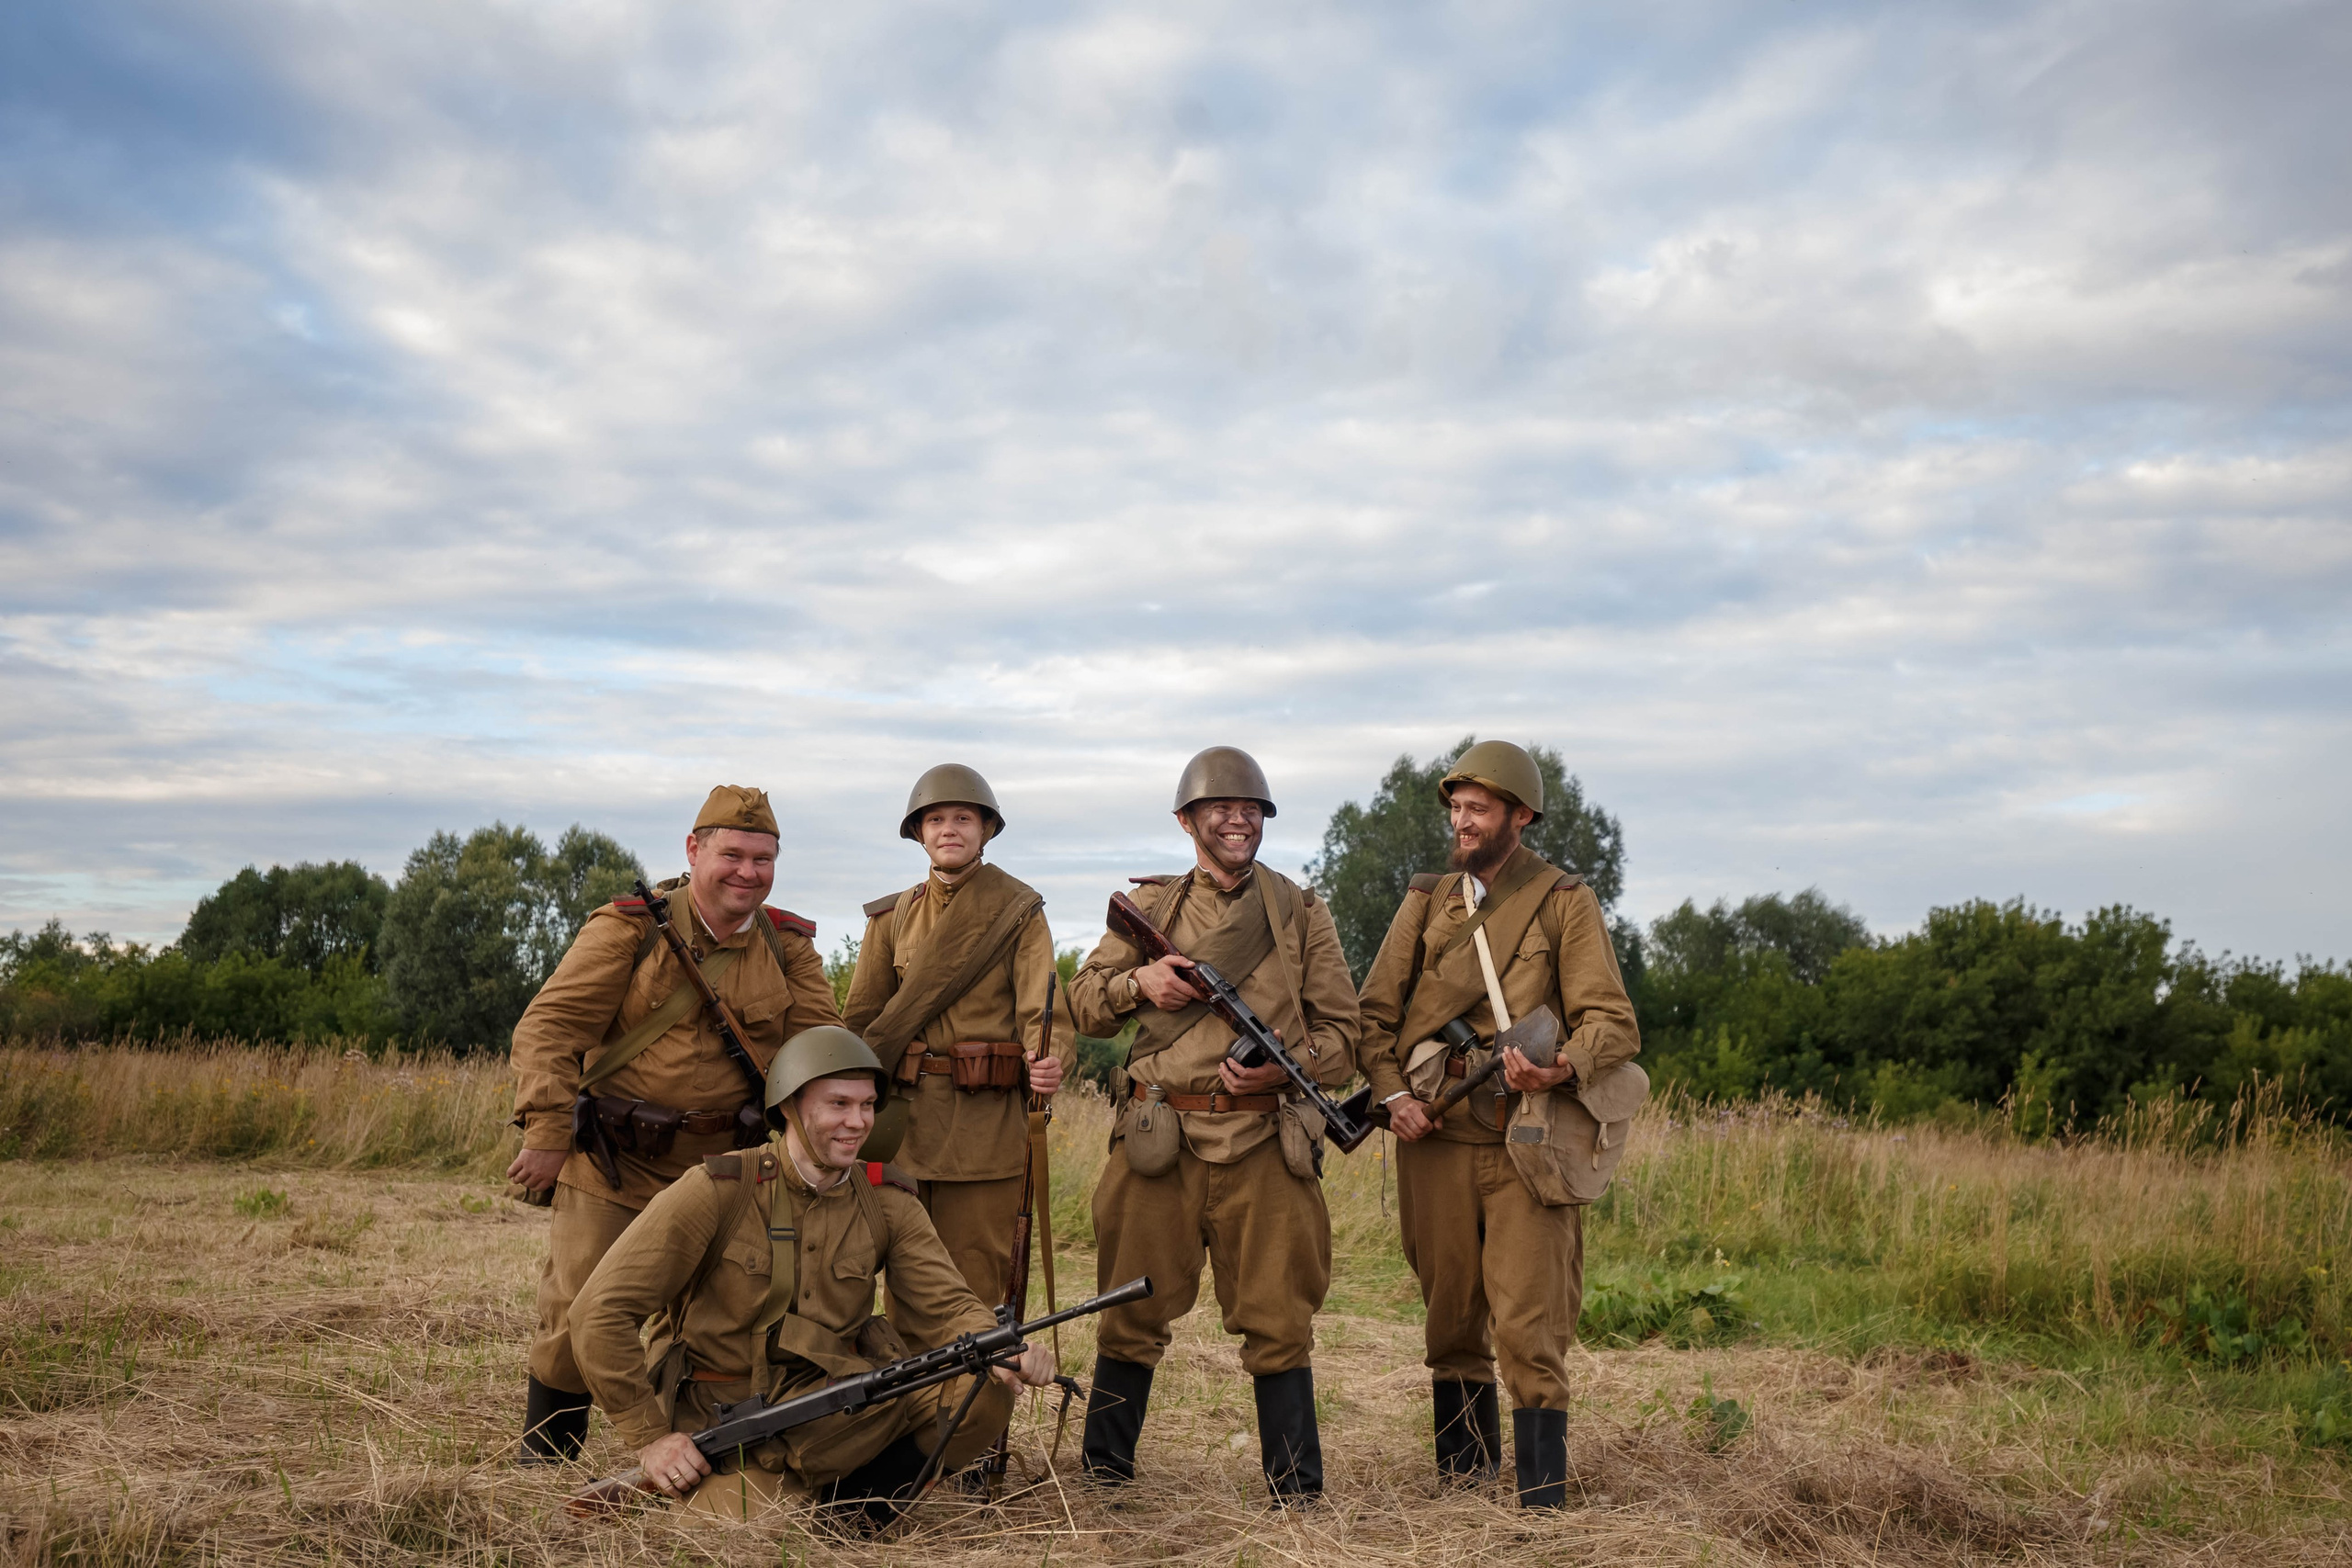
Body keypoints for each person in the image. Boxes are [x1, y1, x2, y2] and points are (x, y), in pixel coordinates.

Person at [568, 1026, 1057, 1529]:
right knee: (751, 1537)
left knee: (983, 1391)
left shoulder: (887, 1201)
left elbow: (948, 1306)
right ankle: (791, 1505)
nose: (857, 1122)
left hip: (841, 1407)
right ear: (788, 1106)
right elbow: (599, 1311)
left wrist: (1002, 1349)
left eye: (867, 1105)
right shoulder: (718, 1191)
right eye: (838, 1104)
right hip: (729, 1421)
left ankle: (854, 1515)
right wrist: (651, 1440)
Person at [507, 785, 844, 1464]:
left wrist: (830, 1141)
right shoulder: (628, 929)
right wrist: (547, 1132)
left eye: (763, 858)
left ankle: (696, 1459)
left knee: (713, 1322)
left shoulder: (790, 947)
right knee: (579, 1307)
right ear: (694, 851)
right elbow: (550, 1027)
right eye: (732, 854)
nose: (748, 872)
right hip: (615, 1161)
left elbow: (822, 1051)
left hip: (721, 1172)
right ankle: (545, 1463)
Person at [1068, 746, 1361, 1504]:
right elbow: (1084, 1002)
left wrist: (1283, 1062)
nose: (1238, 820)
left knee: (1279, 1318)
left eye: (1250, 809)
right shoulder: (1154, 910)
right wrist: (1142, 980)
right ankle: (1104, 1482)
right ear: (1187, 820)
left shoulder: (1300, 909)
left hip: (1265, 1140)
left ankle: (1295, 1492)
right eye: (1220, 809)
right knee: (1128, 1312)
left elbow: (1344, 1037)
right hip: (1157, 1135)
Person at [1352, 741, 1641, 1507]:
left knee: (1528, 1322)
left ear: (1521, 814)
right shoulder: (1427, 901)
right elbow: (1374, 1016)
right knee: (1450, 1318)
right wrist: (1393, 1097)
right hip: (1435, 1135)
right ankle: (1463, 1486)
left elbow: (1612, 1022)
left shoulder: (1562, 900)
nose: (1463, 820)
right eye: (1456, 807)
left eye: (1478, 807)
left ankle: (1541, 1503)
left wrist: (1560, 1069)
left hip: (1525, 1142)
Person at [841, 764, 1074, 1318]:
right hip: (904, 1129)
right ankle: (912, 1405)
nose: (950, 828)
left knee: (977, 1288)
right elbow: (861, 1024)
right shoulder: (890, 918)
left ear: (986, 829)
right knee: (904, 1284)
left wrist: (1050, 1059)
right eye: (936, 818)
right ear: (919, 832)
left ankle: (971, 1405)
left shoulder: (1018, 912)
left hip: (984, 1130)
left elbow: (1044, 1010)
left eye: (964, 818)